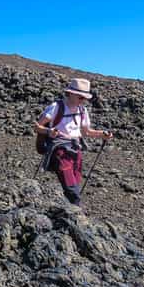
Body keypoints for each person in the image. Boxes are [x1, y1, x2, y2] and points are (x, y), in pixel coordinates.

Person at [34, 78, 113, 206]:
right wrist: (49, 132)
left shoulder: (82, 110)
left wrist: (102, 134)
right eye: (80, 97)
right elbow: (37, 127)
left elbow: (86, 132)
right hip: (60, 148)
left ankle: (69, 209)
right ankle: (76, 209)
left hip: (76, 148)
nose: (83, 100)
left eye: (85, 98)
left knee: (75, 182)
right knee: (71, 186)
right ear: (70, 93)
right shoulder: (56, 107)